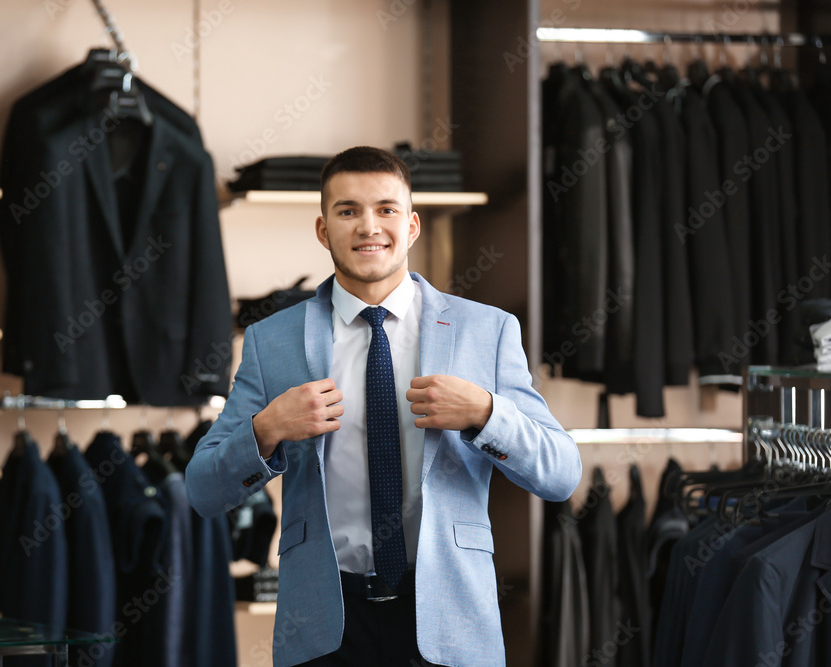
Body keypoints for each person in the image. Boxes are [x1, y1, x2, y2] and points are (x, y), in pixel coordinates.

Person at [186, 146, 581, 666]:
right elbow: (203, 490)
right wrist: (266, 429)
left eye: (386, 209)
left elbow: (561, 473)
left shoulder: (487, 330)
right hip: (327, 622)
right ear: (324, 230)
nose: (368, 226)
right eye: (348, 211)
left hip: (448, 615)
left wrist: (487, 413)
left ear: (412, 225)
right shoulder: (271, 340)